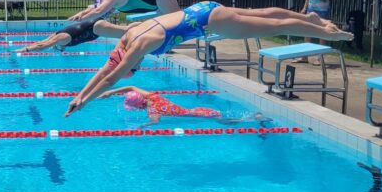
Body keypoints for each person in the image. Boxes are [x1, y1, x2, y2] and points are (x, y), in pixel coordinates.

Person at [64, 1, 353, 117]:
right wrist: (80, 96)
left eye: (133, 69)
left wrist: (85, 101)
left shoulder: (139, 46)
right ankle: (310, 18)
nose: (135, 68)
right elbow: (106, 71)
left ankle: (327, 33)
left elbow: (111, 78)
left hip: (211, 22)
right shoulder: (129, 36)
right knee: (261, 13)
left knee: (272, 27)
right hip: (203, 7)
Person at [17, 0, 181, 52]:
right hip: (99, 25)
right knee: (137, 29)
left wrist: (25, 50)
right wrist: (82, 13)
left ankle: (163, 40)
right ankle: (160, 40)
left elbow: (97, 11)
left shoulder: (62, 38)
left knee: (178, 21)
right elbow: (94, 6)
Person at [99, 86, 272, 127]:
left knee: (230, 122)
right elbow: (131, 87)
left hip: (203, 115)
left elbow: (155, 121)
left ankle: (255, 118)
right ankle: (253, 117)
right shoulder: (154, 97)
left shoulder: (153, 110)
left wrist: (143, 126)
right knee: (228, 119)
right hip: (200, 110)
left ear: (138, 106)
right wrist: (111, 91)